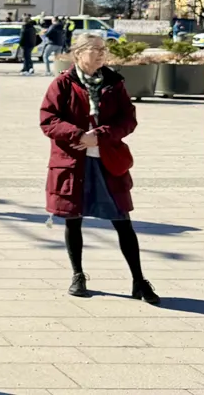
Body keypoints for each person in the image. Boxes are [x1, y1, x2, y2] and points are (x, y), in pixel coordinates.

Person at [40, 34, 158, 303]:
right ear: (78, 53)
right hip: (73, 163)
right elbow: (48, 120)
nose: (102, 54)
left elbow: (128, 120)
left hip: (108, 161)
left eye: (103, 49)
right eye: (95, 49)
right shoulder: (62, 83)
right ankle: (78, 275)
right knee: (74, 220)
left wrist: (101, 135)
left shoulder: (114, 82)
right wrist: (78, 135)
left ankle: (139, 281)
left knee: (123, 221)